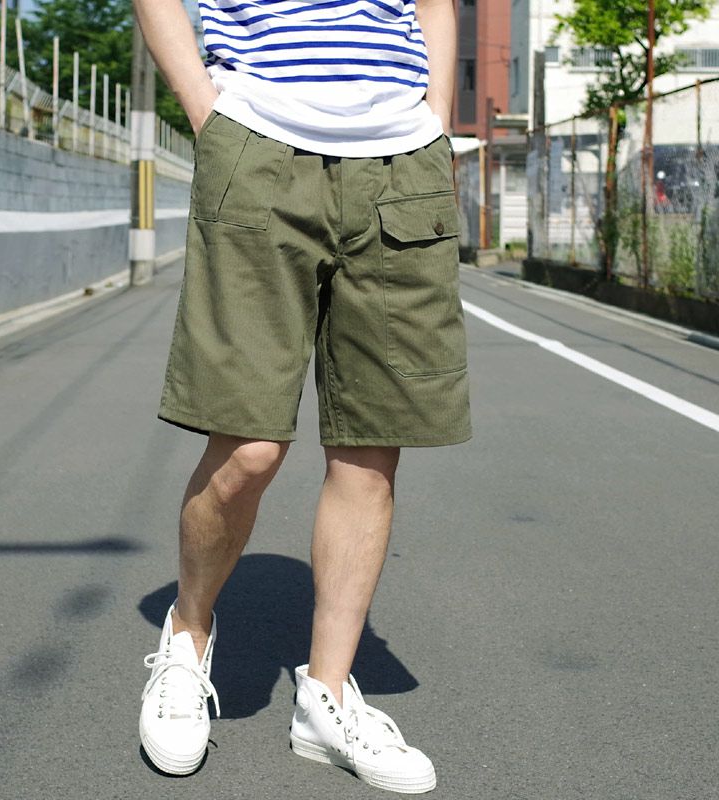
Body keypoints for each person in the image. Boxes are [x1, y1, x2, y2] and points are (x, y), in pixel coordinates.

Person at [134, 0, 471, 792]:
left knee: (370, 449)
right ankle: (186, 639)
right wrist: (204, 107)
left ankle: (327, 694)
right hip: (257, 143)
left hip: (402, 157)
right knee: (248, 445)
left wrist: (437, 123)